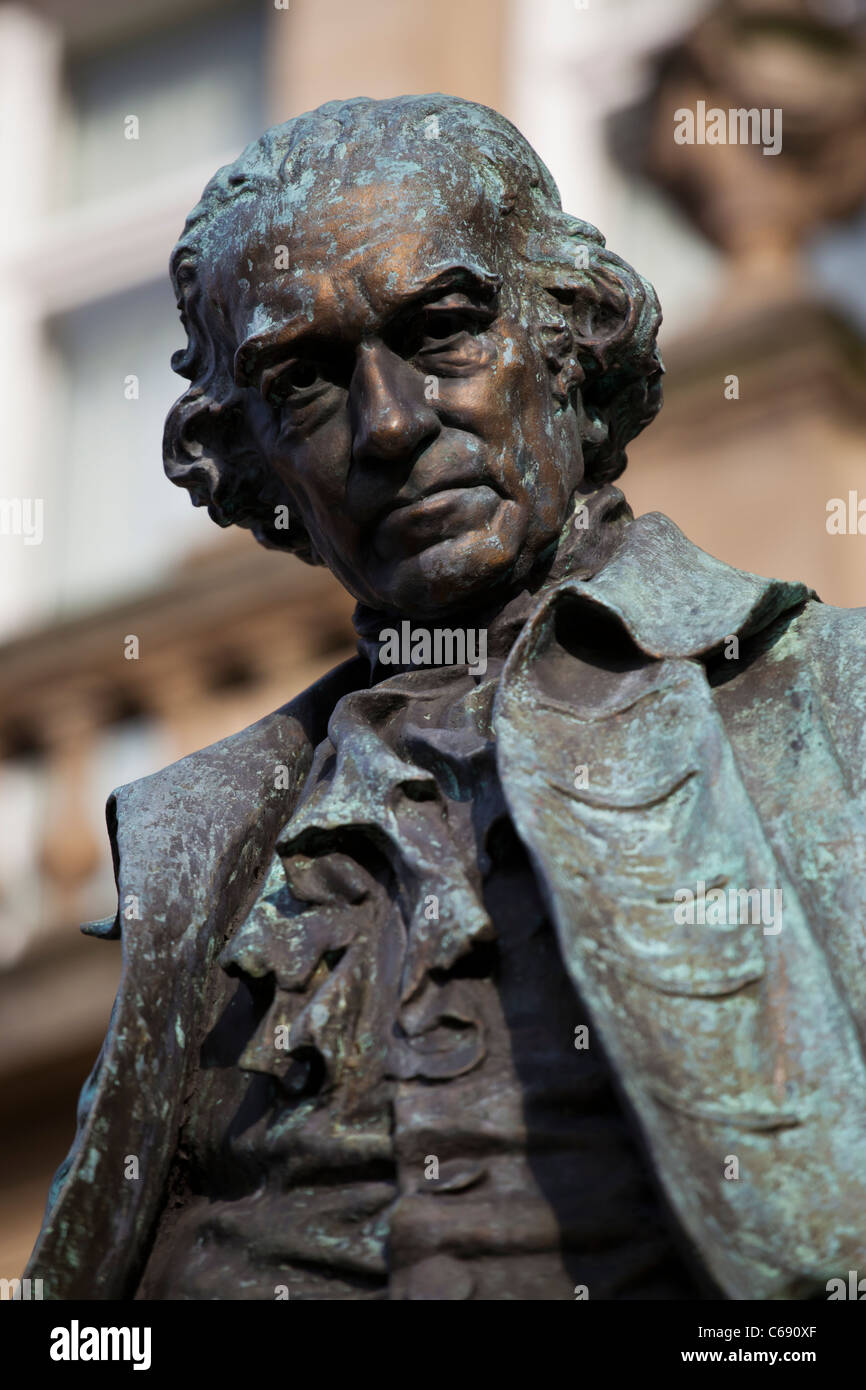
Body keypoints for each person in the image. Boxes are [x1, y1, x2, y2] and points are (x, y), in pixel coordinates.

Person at [27, 94, 866, 1301]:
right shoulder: (201, 833)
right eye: (304, 382)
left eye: (442, 329)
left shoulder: (828, 698)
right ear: (252, 460)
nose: (389, 423)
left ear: (569, 334)